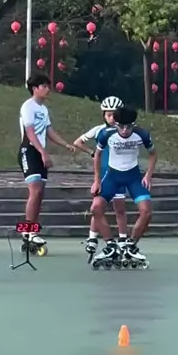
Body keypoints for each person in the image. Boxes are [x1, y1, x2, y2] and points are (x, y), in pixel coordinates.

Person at [90, 106, 157, 268]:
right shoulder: (106, 134)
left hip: (133, 177)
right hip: (112, 176)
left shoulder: (142, 134)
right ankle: (110, 246)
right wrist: (97, 180)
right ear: (116, 124)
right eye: (121, 126)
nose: (125, 130)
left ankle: (130, 246)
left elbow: (153, 154)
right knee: (95, 208)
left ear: (134, 125)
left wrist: (148, 175)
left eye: (129, 127)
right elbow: (97, 155)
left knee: (147, 211)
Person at [18, 73, 76, 252]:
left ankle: (32, 231)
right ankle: (27, 230)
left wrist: (65, 144)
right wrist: (43, 153)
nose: (48, 89)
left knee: (40, 193)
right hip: (29, 150)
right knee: (35, 190)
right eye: (44, 86)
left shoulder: (43, 109)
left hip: (40, 152)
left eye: (48, 86)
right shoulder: (28, 106)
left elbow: (49, 131)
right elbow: (30, 132)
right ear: (35, 88)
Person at [73, 96, 129, 255]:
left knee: (120, 209)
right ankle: (92, 238)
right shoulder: (99, 130)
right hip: (104, 175)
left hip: (120, 174)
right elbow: (78, 142)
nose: (112, 118)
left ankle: (123, 240)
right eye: (108, 115)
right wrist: (91, 153)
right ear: (103, 115)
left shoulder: (125, 131)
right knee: (97, 208)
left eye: (115, 115)